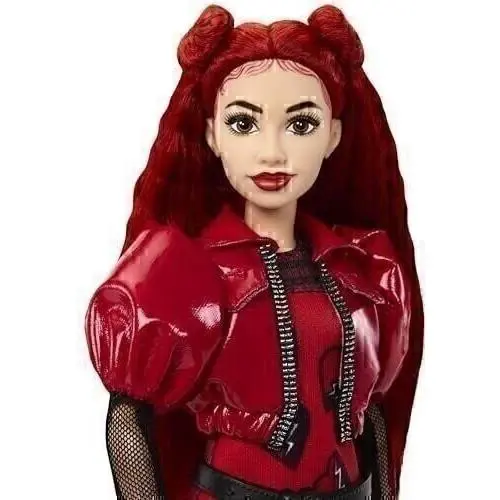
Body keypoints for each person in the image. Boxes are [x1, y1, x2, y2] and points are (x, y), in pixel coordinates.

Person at [84, 4, 424, 499]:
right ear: (212, 135)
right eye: (244, 123)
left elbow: (369, 411)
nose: (272, 152)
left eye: (301, 125)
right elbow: (129, 414)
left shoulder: (364, 267)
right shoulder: (182, 268)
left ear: (333, 135)